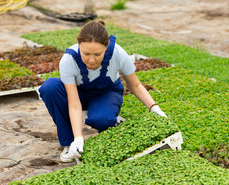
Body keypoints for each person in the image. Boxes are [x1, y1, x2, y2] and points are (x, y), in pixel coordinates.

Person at [39, 20, 166, 163]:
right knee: (50, 87)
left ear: (106, 48)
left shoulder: (118, 53)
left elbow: (135, 85)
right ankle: (70, 143)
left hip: (106, 93)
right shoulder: (68, 60)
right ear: (79, 45)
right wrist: (78, 138)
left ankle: (109, 122)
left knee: (102, 119)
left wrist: (154, 108)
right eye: (86, 53)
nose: (91, 60)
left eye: (97, 54)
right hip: (79, 94)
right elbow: (74, 104)